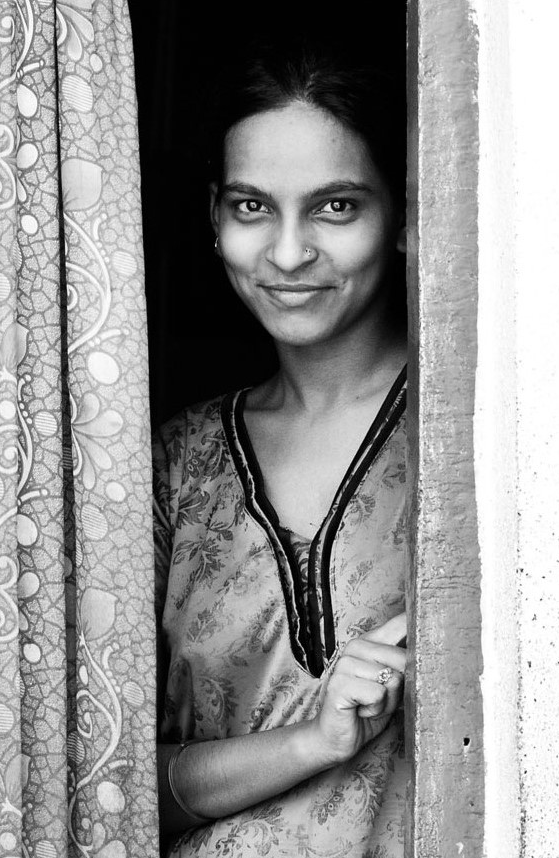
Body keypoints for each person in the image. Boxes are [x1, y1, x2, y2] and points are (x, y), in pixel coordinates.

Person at [154, 45, 411, 856]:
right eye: (252, 206)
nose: (289, 252)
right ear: (213, 216)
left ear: (404, 212)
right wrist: (313, 740)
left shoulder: (469, 433)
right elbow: (109, 788)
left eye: (335, 207)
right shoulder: (174, 465)